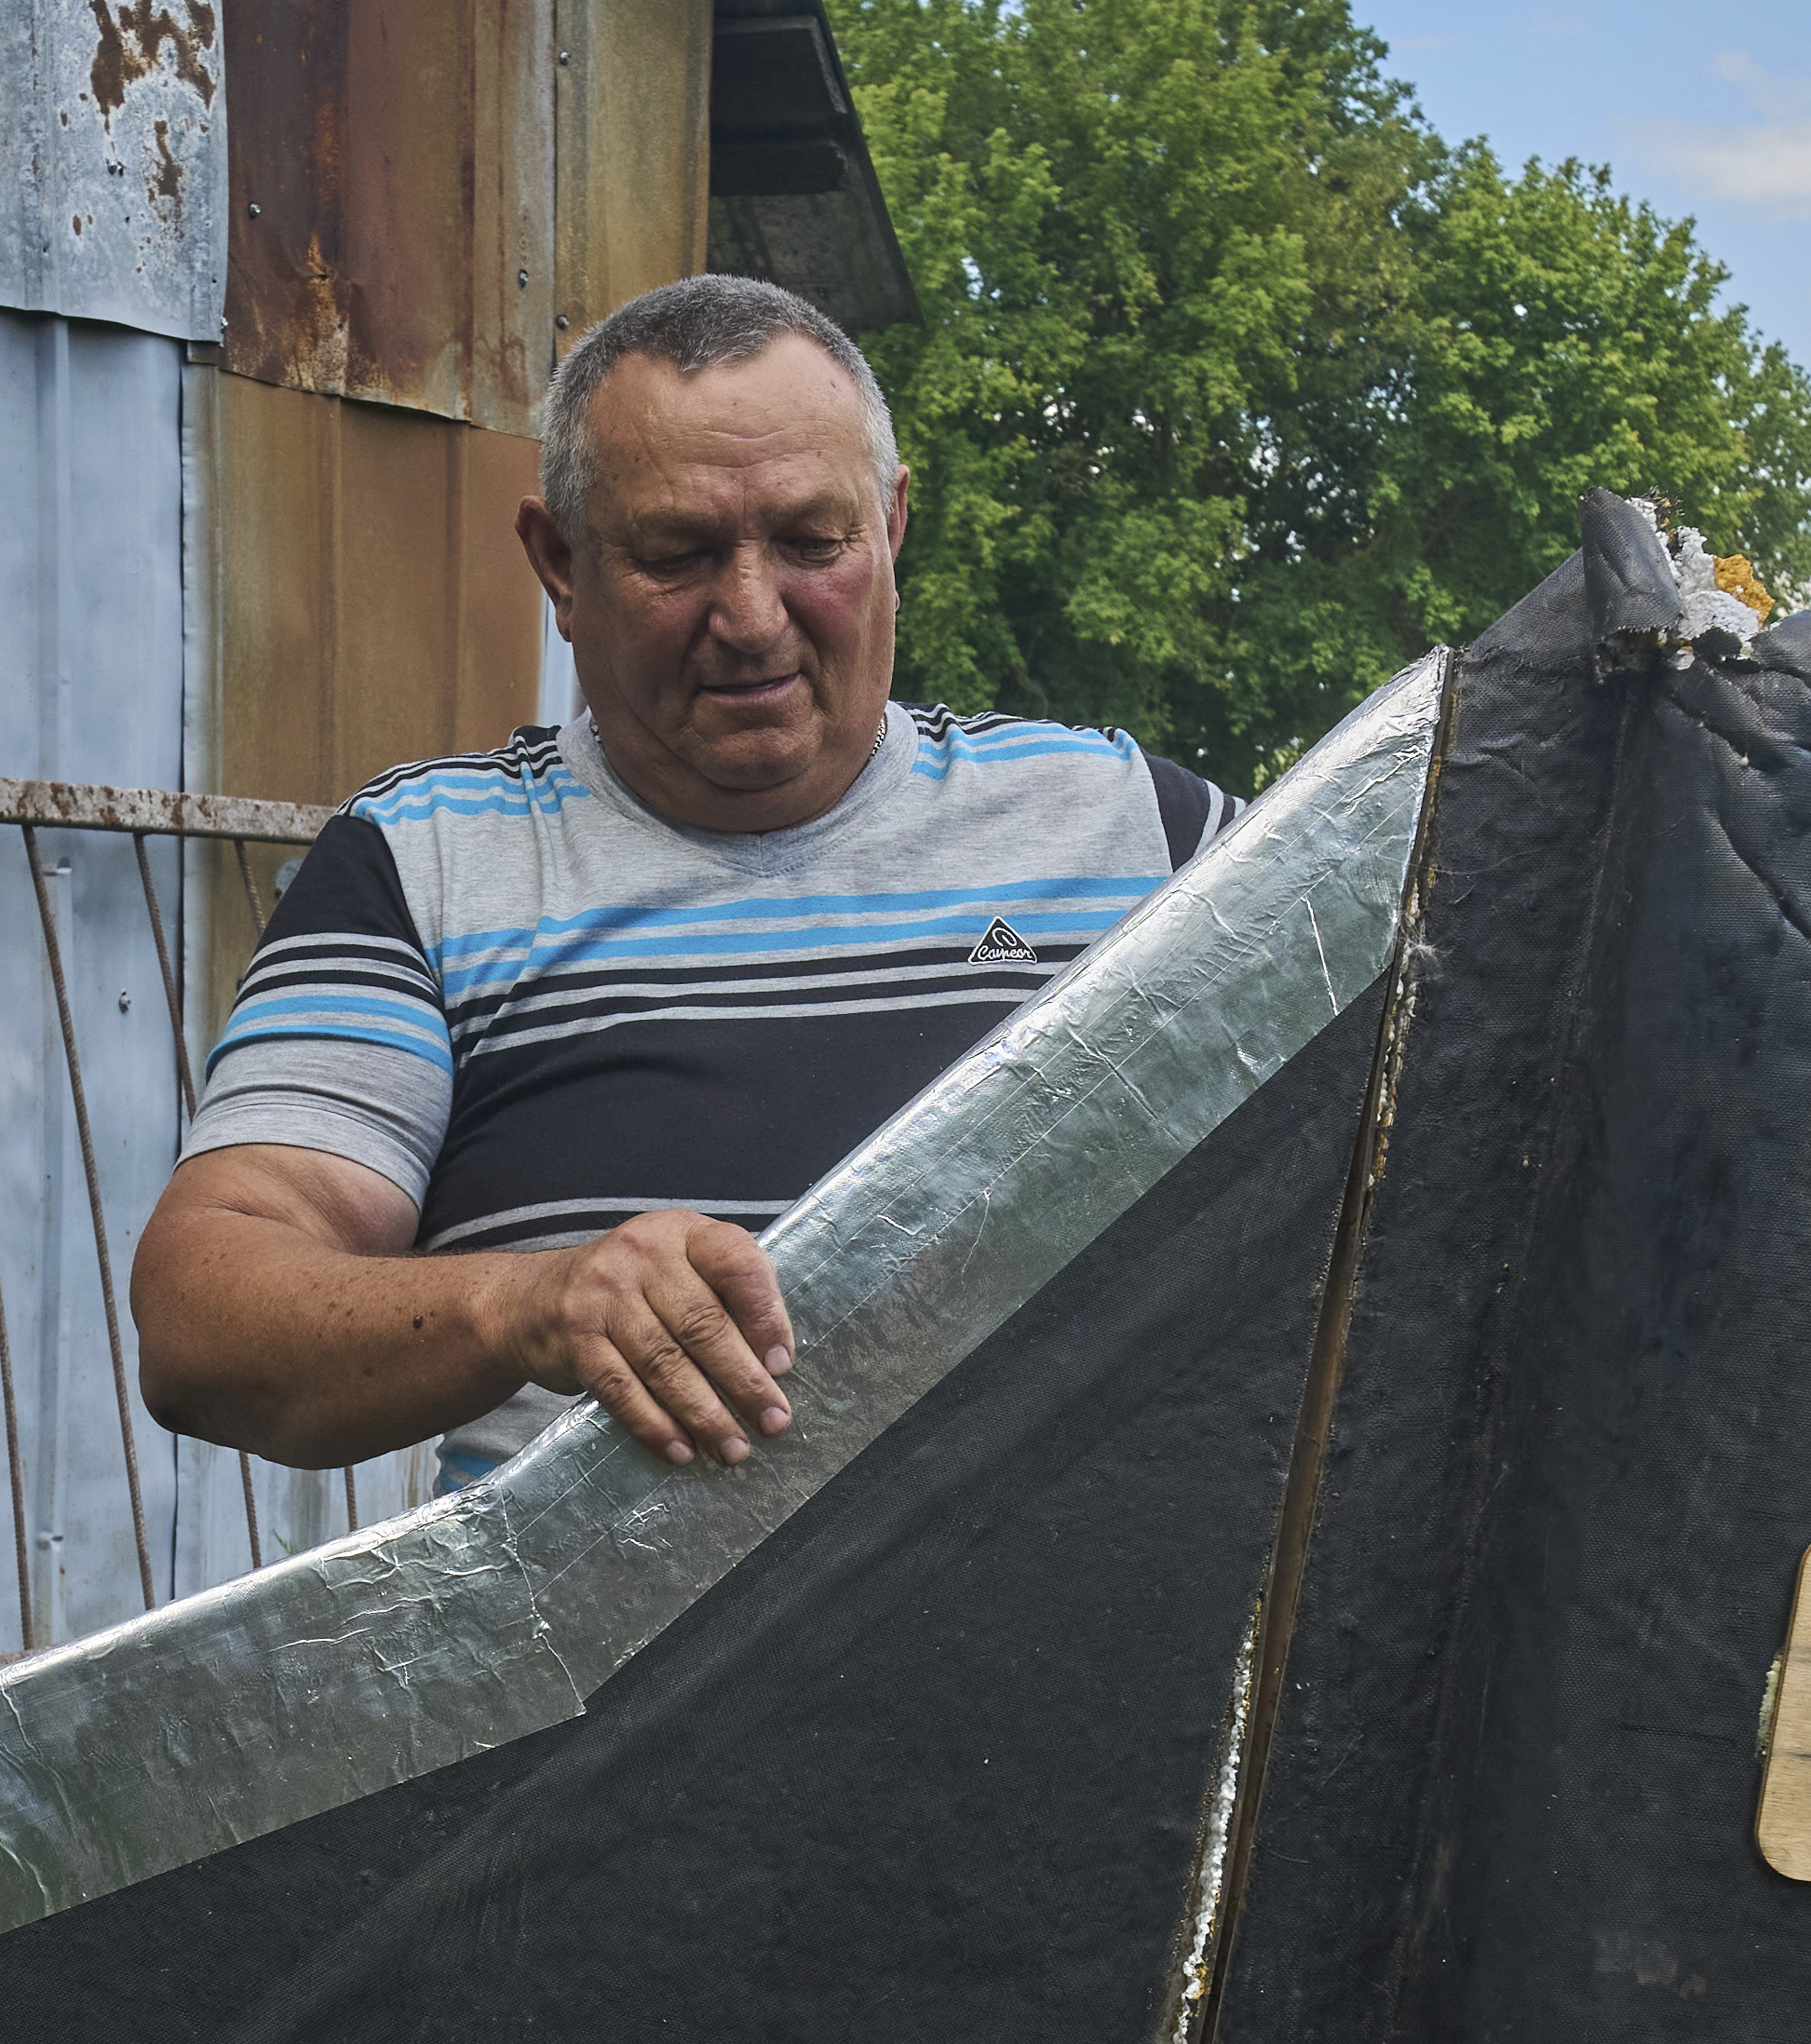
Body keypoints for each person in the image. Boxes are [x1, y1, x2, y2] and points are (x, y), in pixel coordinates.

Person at [134, 276, 1233, 1485]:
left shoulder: (1131, 828)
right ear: (559, 563)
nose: (754, 615)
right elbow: (201, 1325)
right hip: (617, 1679)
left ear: (893, 526)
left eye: (814, 542)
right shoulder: (428, 867)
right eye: (677, 554)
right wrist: (527, 1305)